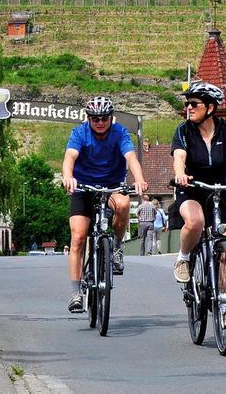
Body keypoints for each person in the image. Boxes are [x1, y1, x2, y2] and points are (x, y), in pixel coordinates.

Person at [61, 96, 148, 314]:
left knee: (124, 203)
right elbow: (69, 157)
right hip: (83, 187)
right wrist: (67, 177)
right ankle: (75, 293)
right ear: (89, 119)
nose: (100, 122)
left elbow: (131, 158)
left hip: (111, 185)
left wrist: (138, 179)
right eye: (95, 118)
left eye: (104, 118)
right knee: (79, 237)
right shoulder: (80, 133)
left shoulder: (119, 133)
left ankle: (116, 247)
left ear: (111, 118)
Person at [170, 81, 226, 289]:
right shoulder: (184, 131)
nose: (189, 108)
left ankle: (225, 304)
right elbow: (179, 156)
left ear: (210, 107)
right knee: (195, 222)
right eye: (187, 104)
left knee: (224, 245)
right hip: (191, 189)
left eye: (194, 104)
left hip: (218, 192)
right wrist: (180, 174)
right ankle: (183, 258)